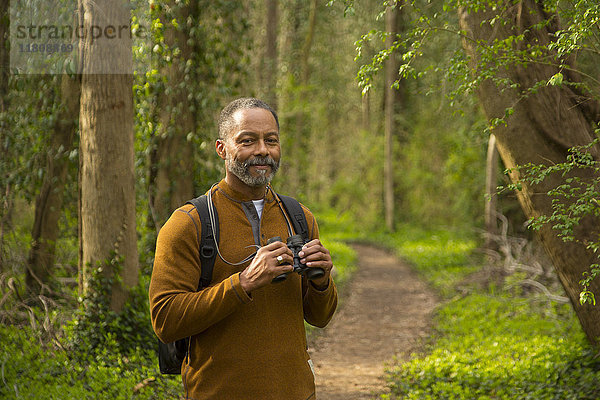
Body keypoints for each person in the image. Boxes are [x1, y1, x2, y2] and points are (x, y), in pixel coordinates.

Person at [149, 97, 338, 399]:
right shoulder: (188, 223)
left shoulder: (299, 217)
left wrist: (321, 281)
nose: (262, 150)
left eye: (271, 140)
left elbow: (320, 317)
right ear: (222, 149)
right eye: (248, 141)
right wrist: (243, 282)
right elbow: (166, 320)